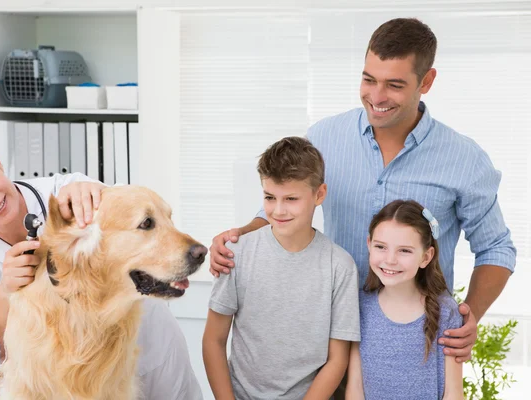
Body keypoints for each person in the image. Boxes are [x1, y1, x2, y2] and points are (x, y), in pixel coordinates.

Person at [209, 18, 516, 366]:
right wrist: (238, 236)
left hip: (417, 344)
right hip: (329, 340)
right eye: (368, 80)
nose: (377, 96)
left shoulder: (465, 158)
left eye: (394, 85)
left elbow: (495, 248)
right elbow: (286, 205)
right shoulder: (325, 136)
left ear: (426, 81)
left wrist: (467, 314)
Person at [0, 132, 203, 400]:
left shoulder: (71, 192)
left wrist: (98, 192)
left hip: (141, 342)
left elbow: (132, 209)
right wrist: (5, 291)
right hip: (51, 376)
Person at [202, 137, 360, 399]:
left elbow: (337, 360)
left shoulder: (340, 266)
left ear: (319, 194)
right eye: (269, 197)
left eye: (291, 198)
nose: (278, 210)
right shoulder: (237, 254)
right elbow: (213, 341)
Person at [346, 199, 464, 400]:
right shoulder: (360, 306)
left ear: (426, 257)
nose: (390, 259)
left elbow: (453, 393)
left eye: (405, 250)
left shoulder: (446, 312)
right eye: (381, 247)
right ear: (369, 244)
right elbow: (355, 386)